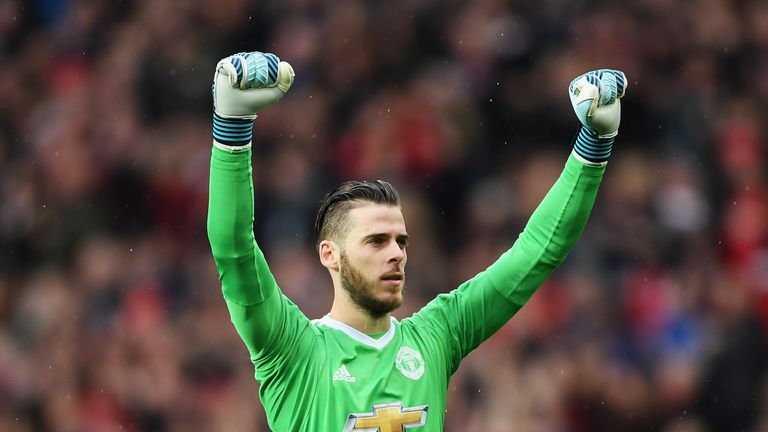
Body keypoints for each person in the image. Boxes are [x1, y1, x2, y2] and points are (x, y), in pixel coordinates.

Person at [207, 51, 626, 431]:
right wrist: (231, 128)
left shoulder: (436, 335)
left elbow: (537, 252)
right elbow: (234, 250)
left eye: (400, 241)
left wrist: (594, 146)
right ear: (329, 254)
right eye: (375, 241)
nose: (395, 254)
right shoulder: (293, 350)